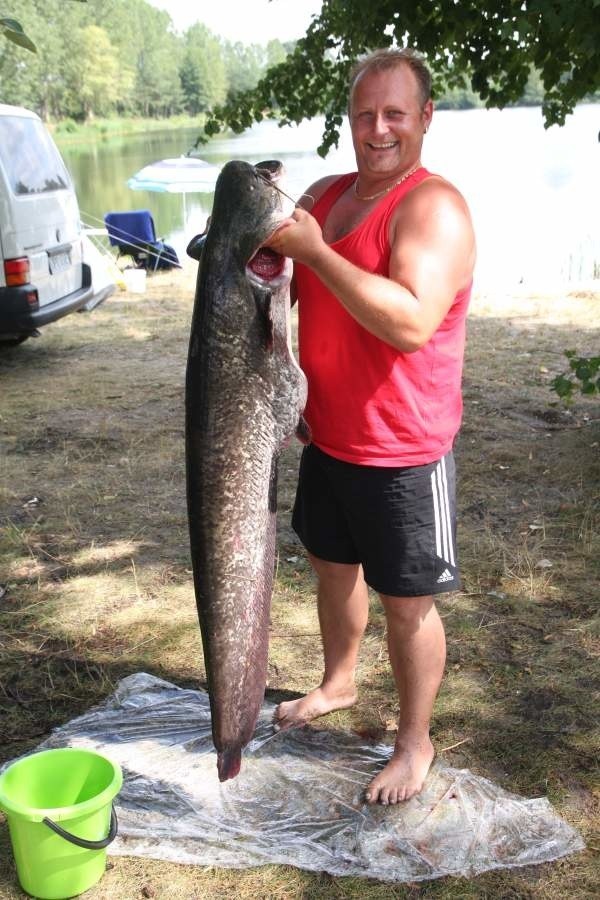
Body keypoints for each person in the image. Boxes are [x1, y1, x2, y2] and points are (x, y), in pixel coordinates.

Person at [264, 48, 476, 805]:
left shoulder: (433, 207)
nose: (377, 128)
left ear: (424, 118)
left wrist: (315, 252)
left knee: (407, 603)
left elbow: (412, 322)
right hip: (327, 437)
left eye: (394, 113)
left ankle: (414, 742)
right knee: (331, 567)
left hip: (403, 451)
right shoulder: (323, 195)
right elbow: (279, 292)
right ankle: (339, 681)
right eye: (363, 114)